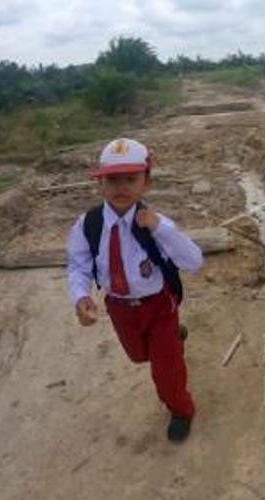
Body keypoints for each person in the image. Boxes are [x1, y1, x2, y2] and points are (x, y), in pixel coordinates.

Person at [66, 138, 204, 443]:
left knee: (165, 372)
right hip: (119, 307)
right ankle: (174, 340)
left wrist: (160, 229)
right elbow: (78, 266)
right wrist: (81, 296)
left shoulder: (155, 224)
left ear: (147, 183)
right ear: (100, 183)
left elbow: (194, 262)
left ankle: (181, 410)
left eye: (131, 179)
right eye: (113, 179)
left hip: (158, 306)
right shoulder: (87, 225)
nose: (121, 187)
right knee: (139, 356)